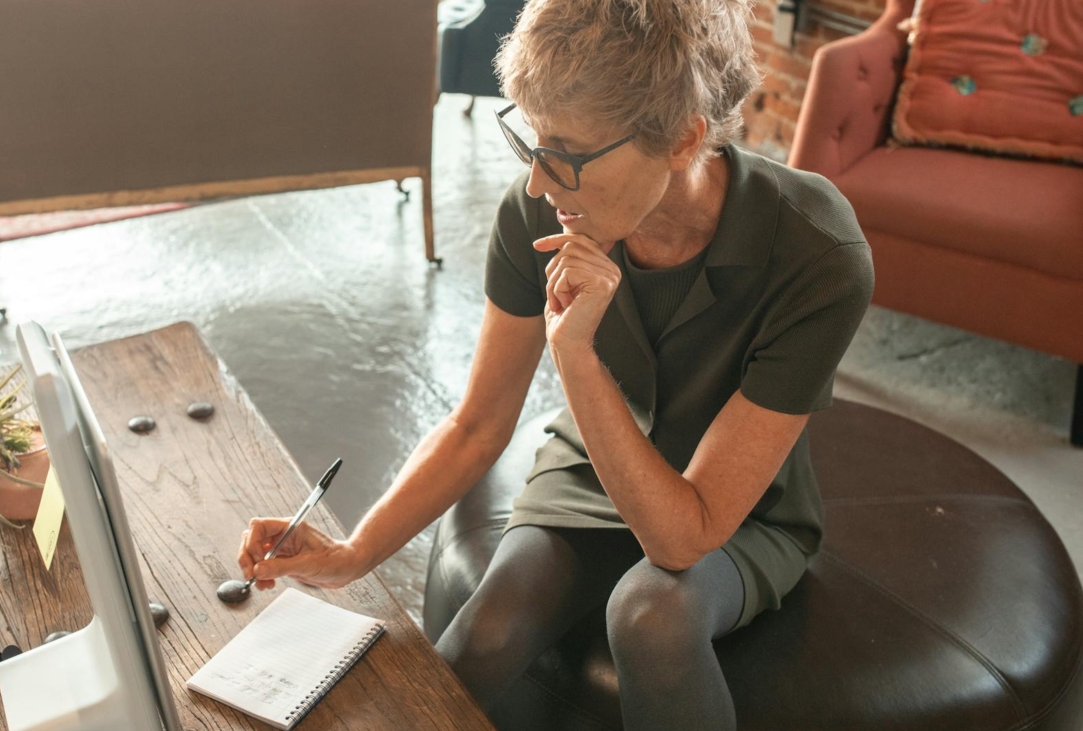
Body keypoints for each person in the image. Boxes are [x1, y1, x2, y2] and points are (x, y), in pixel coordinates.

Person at [236, 0, 875, 727]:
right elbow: (478, 424)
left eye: (566, 154)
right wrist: (353, 553)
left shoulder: (817, 253)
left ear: (681, 138)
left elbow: (683, 535)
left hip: (738, 515)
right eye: (530, 143)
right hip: (589, 474)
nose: (539, 183)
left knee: (651, 616)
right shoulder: (539, 211)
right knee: (488, 630)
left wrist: (574, 354)